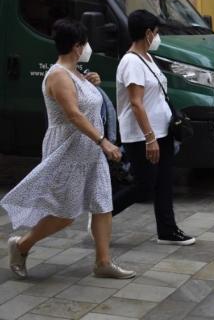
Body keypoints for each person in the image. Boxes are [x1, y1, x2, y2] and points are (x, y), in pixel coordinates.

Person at [2, 19, 135, 280]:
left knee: (102, 204)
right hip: (69, 151)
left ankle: (103, 262)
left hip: (89, 152)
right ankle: (21, 246)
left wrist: (89, 83)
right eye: (85, 44)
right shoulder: (58, 76)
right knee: (64, 214)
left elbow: (82, 104)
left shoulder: (76, 73)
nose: (88, 48)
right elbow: (74, 114)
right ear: (76, 46)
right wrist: (103, 141)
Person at [112, 10, 195, 245]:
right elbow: (136, 104)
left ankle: (167, 231)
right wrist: (150, 139)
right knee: (143, 186)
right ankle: (102, 216)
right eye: (157, 33)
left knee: (164, 183)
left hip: (163, 132)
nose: (158, 37)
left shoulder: (147, 58)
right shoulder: (131, 62)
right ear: (148, 33)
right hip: (143, 136)